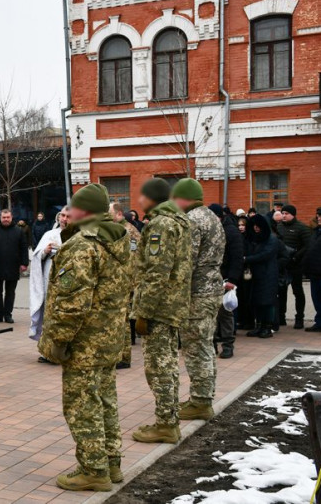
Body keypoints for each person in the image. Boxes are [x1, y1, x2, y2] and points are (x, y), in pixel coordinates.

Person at [38, 184, 131, 492]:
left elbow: (72, 304)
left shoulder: (83, 245)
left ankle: (93, 470)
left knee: (81, 404)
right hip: (109, 338)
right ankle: (111, 463)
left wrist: (58, 341)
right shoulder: (117, 239)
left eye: (73, 208)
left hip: (84, 342)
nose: (67, 213)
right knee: (105, 401)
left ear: (85, 211)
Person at [131, 178, 192, 444]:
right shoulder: (178, 221)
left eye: (142, 195)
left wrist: (144, 311)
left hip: (159, 308)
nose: (139, 200)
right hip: (171, 304)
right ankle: (169, 420)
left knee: (159, 367)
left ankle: (166, 424)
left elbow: (157, 272)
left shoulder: (161, 224)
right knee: (167, 364)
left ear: (152, 197)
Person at [171, 179, 225, 422]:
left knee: (196, 347)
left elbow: (186, 261)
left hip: (197, 293)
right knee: (205, 344)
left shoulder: (192, 220)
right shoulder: (212, 217)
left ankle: (201, 402)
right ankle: (202, 397)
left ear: (184, 198)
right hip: (212, 289)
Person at [209, 204, 244, 359]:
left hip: (225, 278)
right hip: (209, 278)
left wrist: (232, 279)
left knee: (225, 313)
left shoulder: (231, 232)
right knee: (210, 313)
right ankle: (212, 344)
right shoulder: (211, 230)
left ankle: (228, 345)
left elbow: (237, 257)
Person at [109, 202, 140, 370]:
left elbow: (130, 258)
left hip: (124, 281)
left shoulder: (124, 231)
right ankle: (122, 356)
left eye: (110, 213)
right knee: (123, 320)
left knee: (123, 321)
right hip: (126, 280)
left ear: (119, 214)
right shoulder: (125, 229)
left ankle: (124, 357)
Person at [0, 209, 28, 324]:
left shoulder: (18, 231)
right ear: (0, 218)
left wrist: (24, 263)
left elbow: (23, 248)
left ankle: (8, 314)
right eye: (4, 217)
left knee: (10, 292)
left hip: (13, 266)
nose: (6, 219)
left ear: (11, 217)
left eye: (8, 217)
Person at [29, 215, 63, 349]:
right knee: (49, 315)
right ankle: (48, 349)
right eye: (62, 216)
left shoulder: (78, 234)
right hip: (49, 281)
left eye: (68, 216)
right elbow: (37, 255)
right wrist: (45, 251)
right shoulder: (50, 234)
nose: (64, 219)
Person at [244, 215, 280, 339]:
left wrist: (246, 259)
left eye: (258, 226)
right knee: (256, 302)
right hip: (256, 275)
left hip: (268, 274)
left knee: (267, 302)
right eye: (254, 226)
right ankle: (259, 326)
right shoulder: (254, 238)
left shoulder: (272, 239)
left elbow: (265, 254)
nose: (256, 228)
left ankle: (267, 327)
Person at [276, 204, 312, 329]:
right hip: (283, 265)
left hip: (296, 265)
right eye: (283, 213)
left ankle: (299, 318)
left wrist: (296, 256)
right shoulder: (279, 226)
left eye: (287, 213)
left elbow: (308, 245)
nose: (284, 215)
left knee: (297, 291)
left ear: (293, 214)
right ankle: (281, 317)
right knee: (281, 292)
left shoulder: (302, 228)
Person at [303, 208, 321, 333]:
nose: (319, 218)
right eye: (318, 216)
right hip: (314, 272)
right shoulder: (317, 232)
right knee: (318, 300)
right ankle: (320, 322)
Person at [235, 215, 254, 331]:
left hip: (248, 270)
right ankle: (242, 320)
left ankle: (249, 320)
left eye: (243, 225)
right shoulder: (238, 237)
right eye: (239, 225)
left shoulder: (250, 238)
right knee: (240, 296)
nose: (241, 227)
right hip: (240, 270)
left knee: (248, 296)